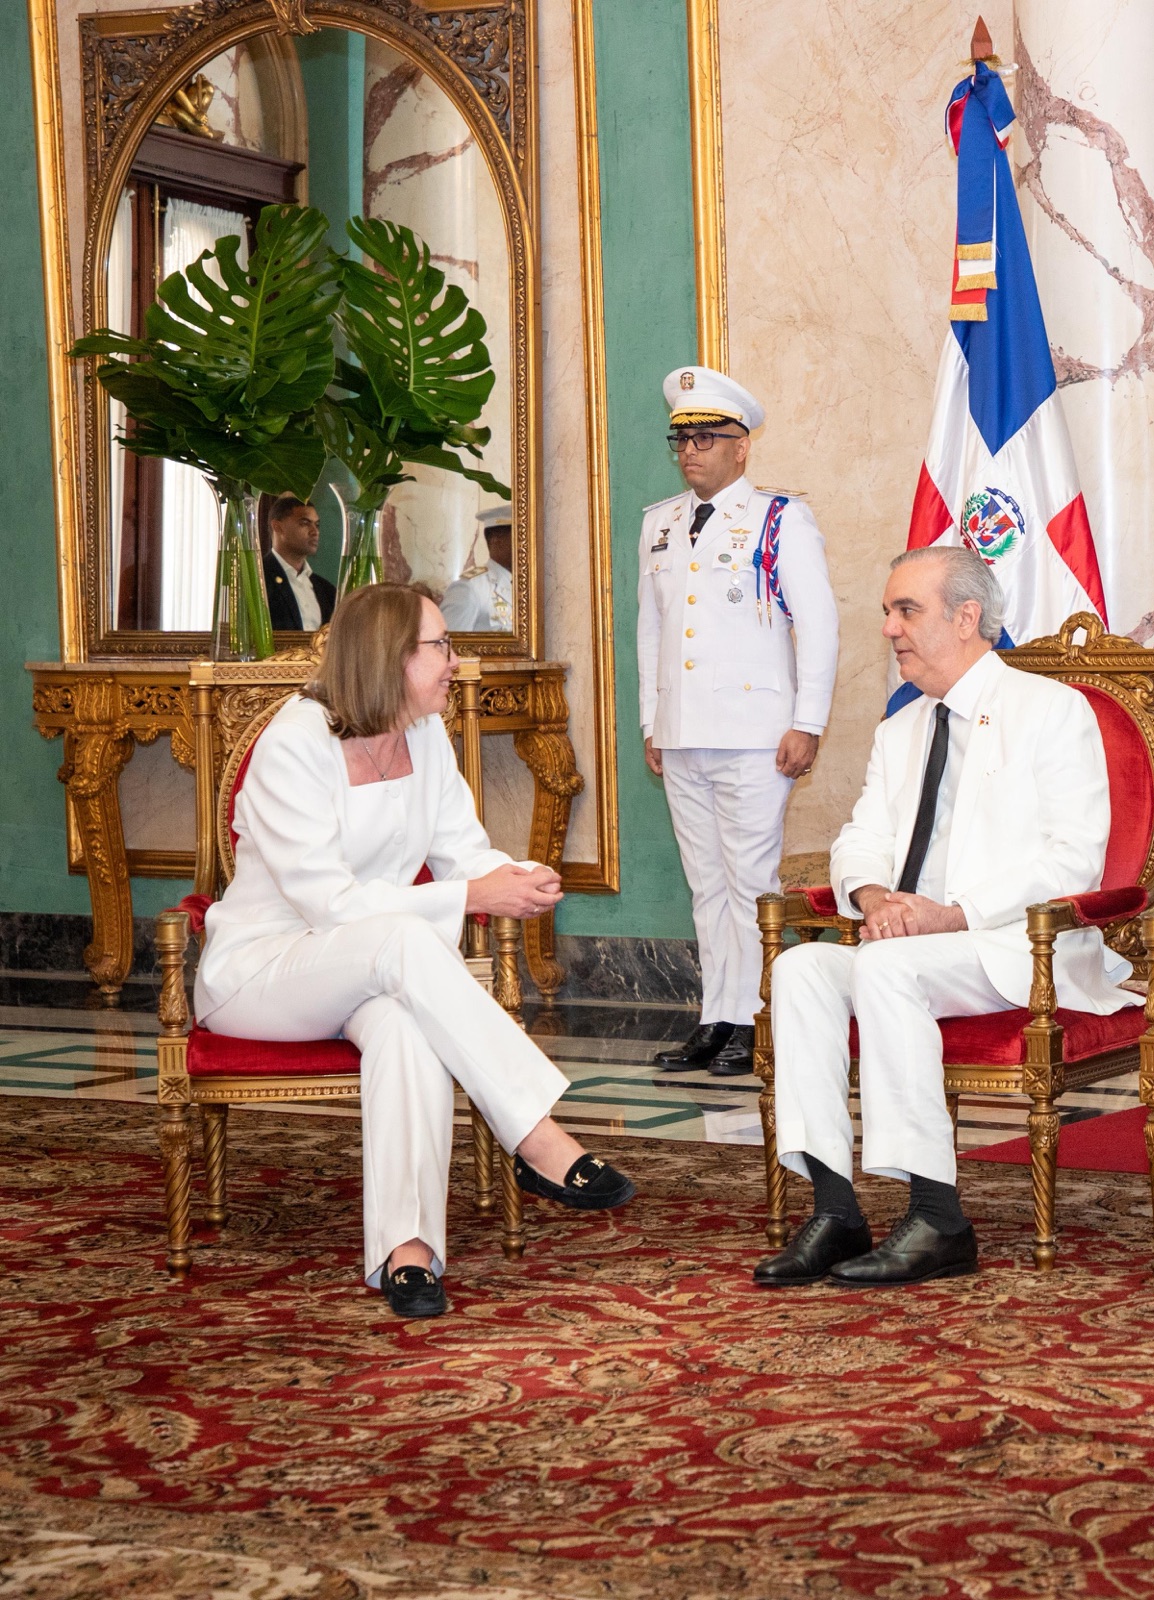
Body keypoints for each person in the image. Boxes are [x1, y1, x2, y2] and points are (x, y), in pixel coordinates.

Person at [194, 584, 635, 1319]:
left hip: (373, 970)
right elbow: (329, 905)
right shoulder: (293, 743)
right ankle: (534, 1135)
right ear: (390, 656)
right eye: (442, 646)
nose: (456, 662)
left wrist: (517, 877)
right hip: (264, 972)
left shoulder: (425, 736)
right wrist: (470, 896)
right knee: (403, 942)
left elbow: (463, 852)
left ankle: (408, 1253)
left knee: (405, 1026)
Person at [754, 545, 1138, 1288]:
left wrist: (951, 915)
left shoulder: (1049, 710)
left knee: (887, 969)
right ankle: (836, 1209)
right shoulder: (900, 728)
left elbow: (1074, 861)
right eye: (887, 612)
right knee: (800, 968)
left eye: (907, 610)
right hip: (910, 941)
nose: (889, 628)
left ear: (967, 618)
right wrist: (875, 900)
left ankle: (939, 1219)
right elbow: (859, 839)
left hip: (1016, 946)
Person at [638, 366, 839, 1078]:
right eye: (681, 439)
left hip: (757, 734)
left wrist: (808, 721)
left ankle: (757, 1018)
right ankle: (716, 1018)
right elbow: (651, 630)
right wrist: (652, 721)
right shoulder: (660, 524)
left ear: (741, 446)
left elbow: (818, 625)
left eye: (706, 438)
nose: (690, 452)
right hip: (683, 731)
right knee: (707, 884)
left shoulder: (780, 519)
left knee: (751, 881)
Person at [262, 495, 335, 633]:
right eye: (305, 523)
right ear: (278, 527)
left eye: (317, 525)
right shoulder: (258, 579)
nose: (315, 532)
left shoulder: (326, 590)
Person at [441, 505, 514, 632]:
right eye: (520, 537)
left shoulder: (527, 585)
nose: (526, 545)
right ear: (497, 540)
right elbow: (451, 641)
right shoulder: (471, 588)